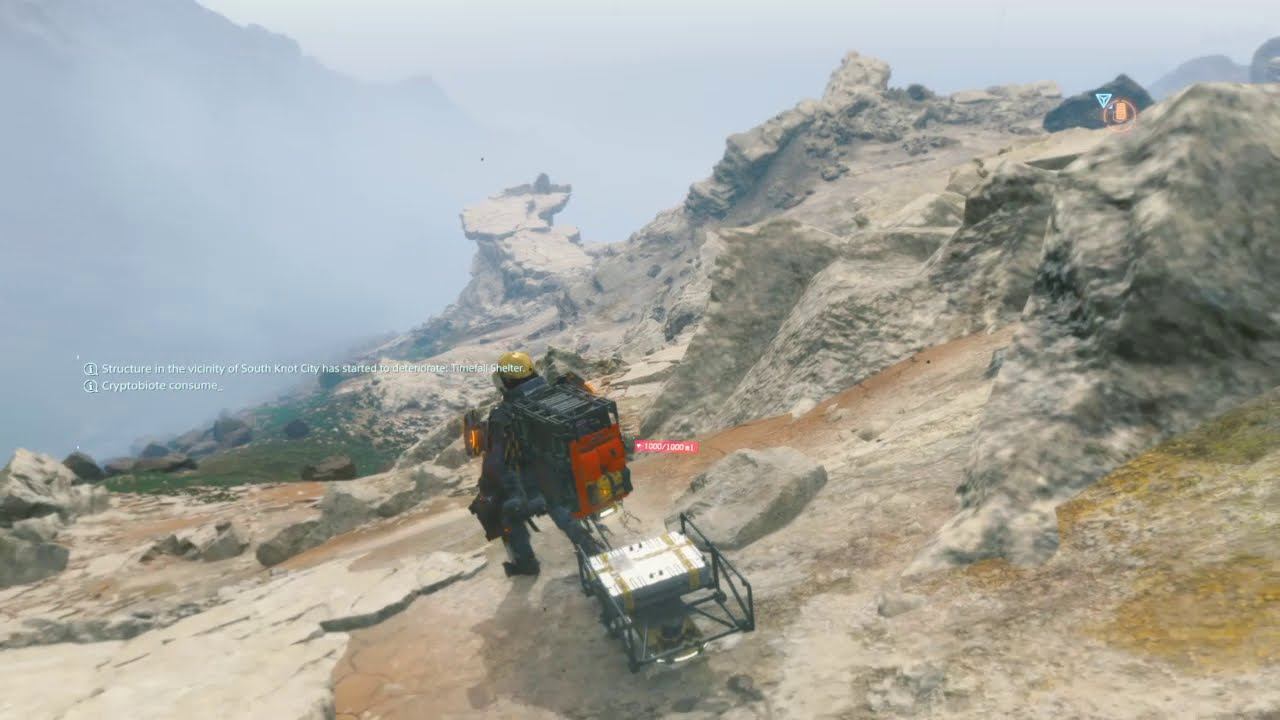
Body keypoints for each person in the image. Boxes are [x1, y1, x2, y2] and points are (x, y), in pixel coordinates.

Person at [483, 350, 601, 577]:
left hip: (549, 485)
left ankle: (526, 564)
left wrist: (514, 493)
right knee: (554, 490)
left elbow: (502, 462)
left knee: (509, 510)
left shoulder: (503, 415)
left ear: (505, 381)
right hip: (587, 467)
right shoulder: (563, 390)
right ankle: (588, 532)